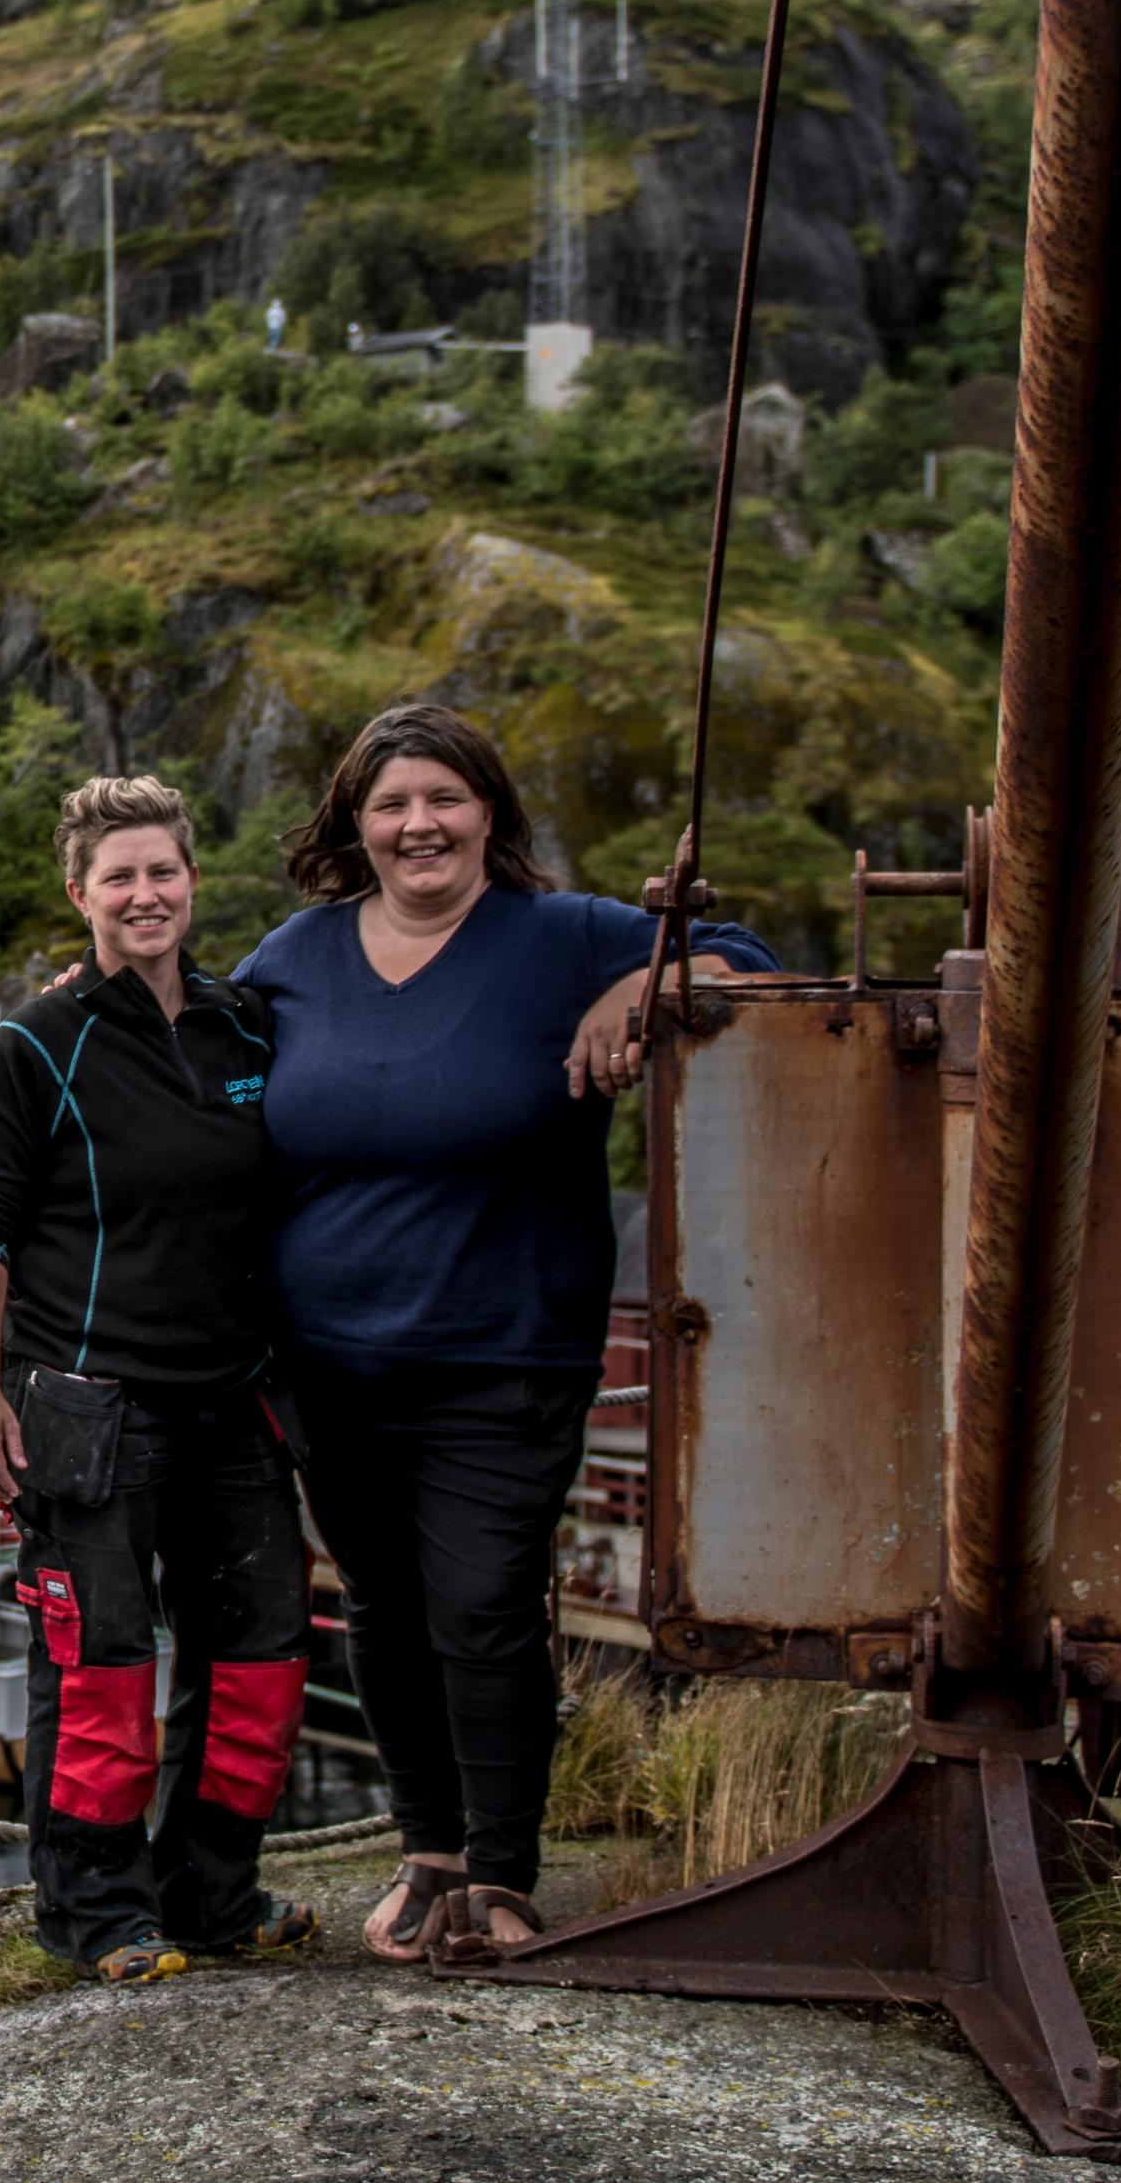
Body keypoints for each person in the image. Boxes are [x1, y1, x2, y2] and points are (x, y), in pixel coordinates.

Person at [232, 705, 775, 1965]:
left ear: (490, 813)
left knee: (481, 1603)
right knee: (381, 1604)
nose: (418, 823)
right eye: (390, 804)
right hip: (325, 1358)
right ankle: (428, 1851)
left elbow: (749, 960)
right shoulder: (293, 958)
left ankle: (503, 1870)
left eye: (444, 798)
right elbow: (193, 1055)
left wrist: (650, 979)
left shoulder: (566, 936)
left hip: (504, 1352)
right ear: (353, 826)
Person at [0, 775, 314, 1984]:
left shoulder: (245, 1025)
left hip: (236, 1398)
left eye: (163, 872)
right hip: (90, 1408)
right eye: (119, 877)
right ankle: (98, 1916)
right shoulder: (34, 1045)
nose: (144, 894)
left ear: (193, 880)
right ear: (79, 894)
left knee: (258, 1658)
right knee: (101, 1668)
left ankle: (215, 1895)